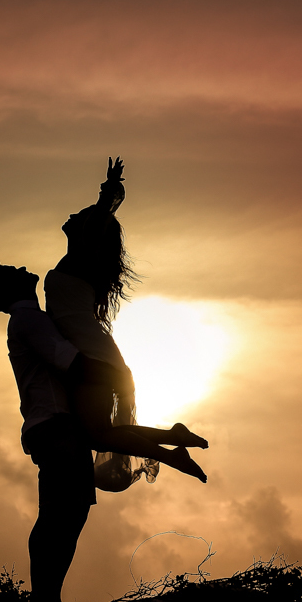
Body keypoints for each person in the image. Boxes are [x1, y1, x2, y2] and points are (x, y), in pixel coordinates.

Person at [0, 262, 132, 602]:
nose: (23, 266)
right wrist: (117, 374)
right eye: (14, 270)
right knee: (60, 514)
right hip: (56, 426)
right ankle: (44, 600)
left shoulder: (32, 319)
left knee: (67, 512)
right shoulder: (30, 321)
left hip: (55, 427)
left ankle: (47, 599)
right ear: (10, 287)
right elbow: (69, 362)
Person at [45, 157, 208, 483]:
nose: (73, 215)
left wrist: (109, 189)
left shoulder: (82, 258)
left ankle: (172, 449)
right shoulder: (76, 261)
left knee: (99, 434)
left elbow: (103, 212)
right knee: (100, 432)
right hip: (88, 355)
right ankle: (173, 439)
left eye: (81, 216)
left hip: (92, 357)